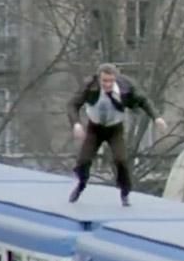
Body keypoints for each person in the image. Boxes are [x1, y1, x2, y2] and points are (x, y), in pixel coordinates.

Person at [65, 63, 168, 206]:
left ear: (115, 78)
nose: (107, 84)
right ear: (99, 79)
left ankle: (125, 192)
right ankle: (81, 184)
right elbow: (72, 104)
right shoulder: (90, 86)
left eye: (110, 81)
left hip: (115, 129)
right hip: (95, 129)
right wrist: (76, 123)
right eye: (104, 81)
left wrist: (156, 117)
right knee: (83, 161)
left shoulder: (126, 86)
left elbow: (144, 101)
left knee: (121, 160)